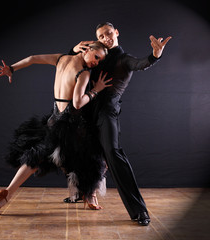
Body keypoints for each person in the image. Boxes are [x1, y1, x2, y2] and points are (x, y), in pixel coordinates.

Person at [64, 22, 171, 226]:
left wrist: (155, 55)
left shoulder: (123, 59)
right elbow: (73, 62)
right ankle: (82, 193)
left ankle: (139, 211)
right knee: (79, 152)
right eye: (102, 36)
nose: (106, 38)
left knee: (112, 154)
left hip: (106, 112)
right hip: (85, 109)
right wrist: (74, 49)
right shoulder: (96, 53)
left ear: (116, 32)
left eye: (109, 33)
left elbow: (140, 64)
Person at [0, 41, 112, 214]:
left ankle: (6, 194)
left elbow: (33, 58)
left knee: (38, 157)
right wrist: (96, 90)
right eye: (96, 57)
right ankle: (90, 195)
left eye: (100, 61)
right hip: (71, 124)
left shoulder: (61, 59)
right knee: (98, 157)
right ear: (87, 50)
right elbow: (77, 103)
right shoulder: (83, 73)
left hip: (54, 120)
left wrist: (12, 68)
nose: (96, 63)